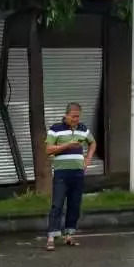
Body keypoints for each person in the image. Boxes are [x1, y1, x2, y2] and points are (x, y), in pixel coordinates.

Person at [45, 103, 97, 251]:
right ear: (66, 115)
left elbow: (93, 143)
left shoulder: (82, 128)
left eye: (78, 116)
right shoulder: (55, 129)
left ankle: (69, 235)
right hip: (62, 173)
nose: (76, 119)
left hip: (78, 173)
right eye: (73, 116)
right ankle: (51, 236)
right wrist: (66, 146)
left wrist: (87, 160)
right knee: (57, 204)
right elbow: (48, 150)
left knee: (74, 205)